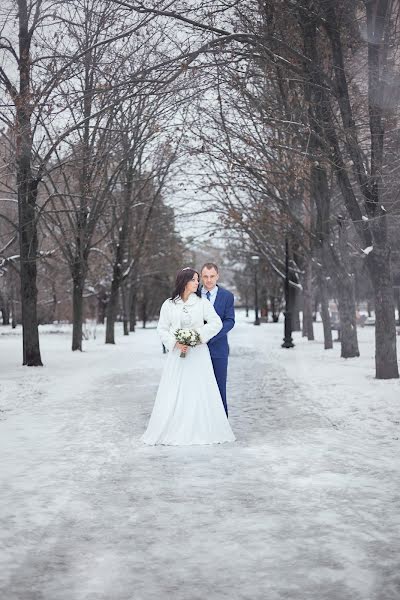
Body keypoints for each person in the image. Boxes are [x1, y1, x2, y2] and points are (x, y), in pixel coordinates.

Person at [141, 267, 235, 446]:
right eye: (194, 279)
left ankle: (201, 429)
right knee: (175, 390)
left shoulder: (202, 303)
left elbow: (216, 323)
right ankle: (173, 427)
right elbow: (162, 328)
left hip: (198, 354)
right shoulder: (168, 304)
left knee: (199, 390)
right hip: (177, 356)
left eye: (198, 280)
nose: (198, 283)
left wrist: (197, 336)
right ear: (184, 281)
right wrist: (175, 342)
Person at [200, 263, 235, 417]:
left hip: (218, 349)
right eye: (205, 276)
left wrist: (211, 335)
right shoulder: (193, 294)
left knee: (219, 386)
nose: (208, 280)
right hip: (197, 349)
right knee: (198, 387)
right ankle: (201, 421)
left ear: (217, 276)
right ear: (201, 277)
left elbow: (230, 321)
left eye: (212, 276)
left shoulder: (226, 296)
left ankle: (221, 423)